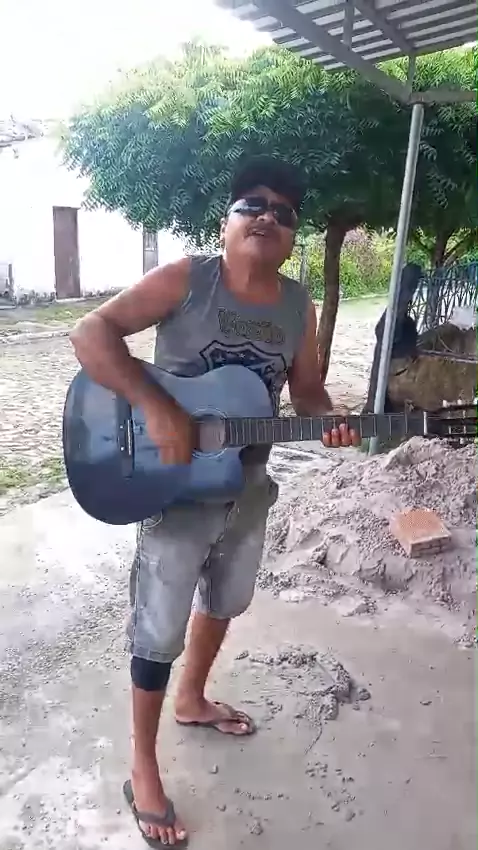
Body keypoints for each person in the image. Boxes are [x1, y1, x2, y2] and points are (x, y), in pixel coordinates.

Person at [70, 156, 359, 847]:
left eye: (283, 211)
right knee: (158, 626)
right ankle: (143, 767)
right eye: (251, 204)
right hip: (173, 485)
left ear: (293, 233)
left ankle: (193, 699)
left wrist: (330, 418)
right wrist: (156, 408)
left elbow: (307, 392)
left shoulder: (297, 305)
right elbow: (90, 333)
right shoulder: (187, 279)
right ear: (226, 221)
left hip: (246, 484)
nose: (267, 216)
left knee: (226, 599)